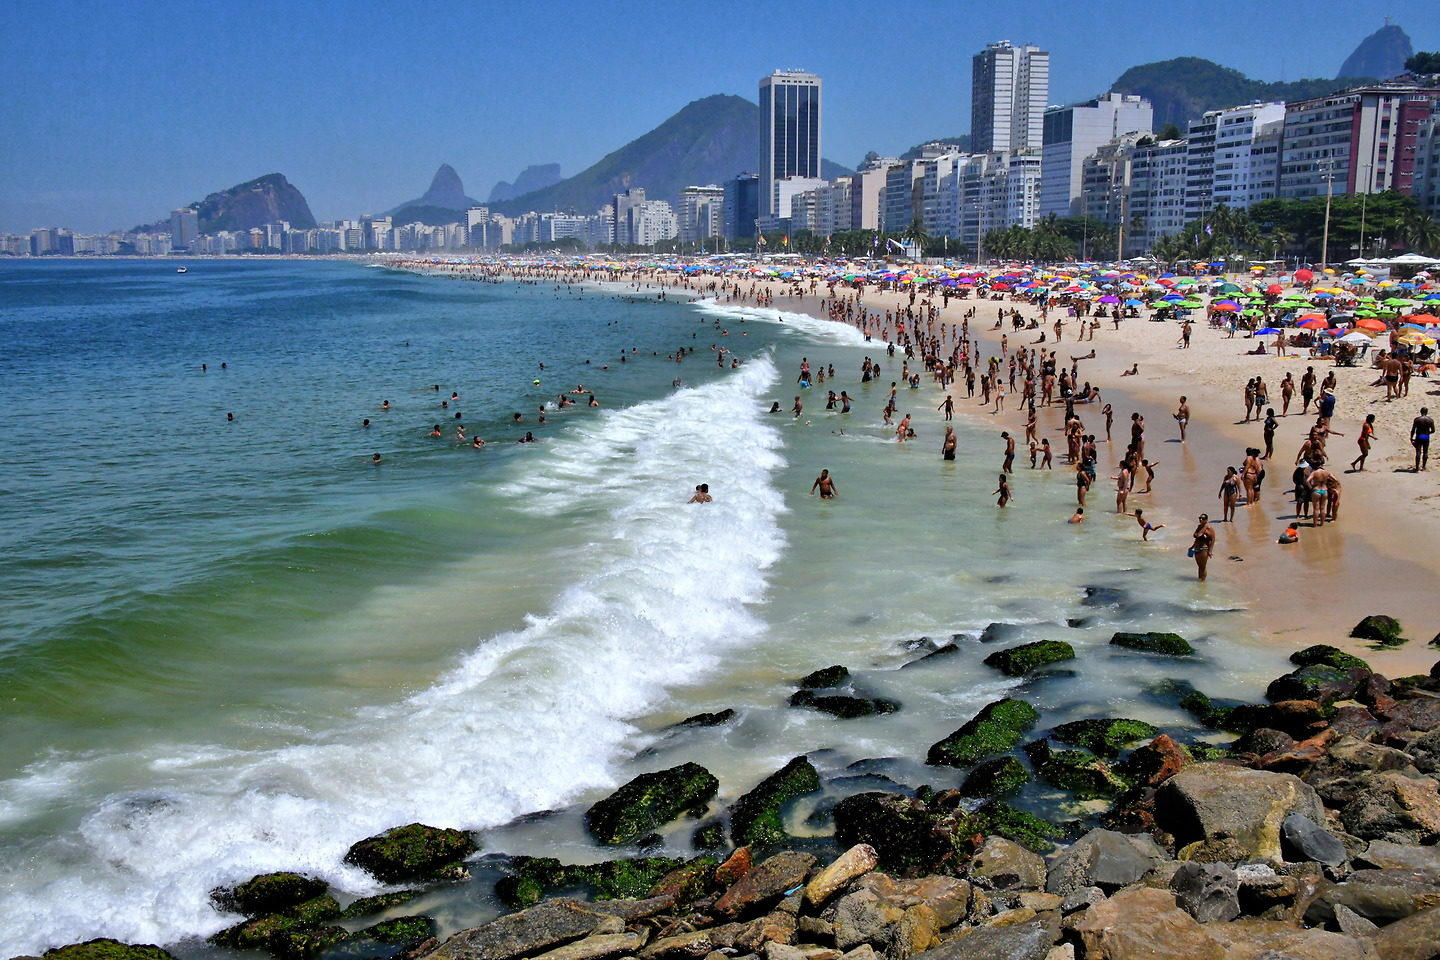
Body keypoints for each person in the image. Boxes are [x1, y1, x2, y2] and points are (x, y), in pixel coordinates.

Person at [1191, 514, 1216, 581]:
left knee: (1203, 566)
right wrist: (1192, 547)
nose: (1201, 519)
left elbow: (1213, 539)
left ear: (1206, 520)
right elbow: (1197, 539)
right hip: (1196, 548)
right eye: (1200, 518)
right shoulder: (1199, 527)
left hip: (1203, 549)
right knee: (1199, 566)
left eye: (1203, 518)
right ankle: (1200, 579)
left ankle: (1203, 581)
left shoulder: (1209, 528)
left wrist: (1210, 551)